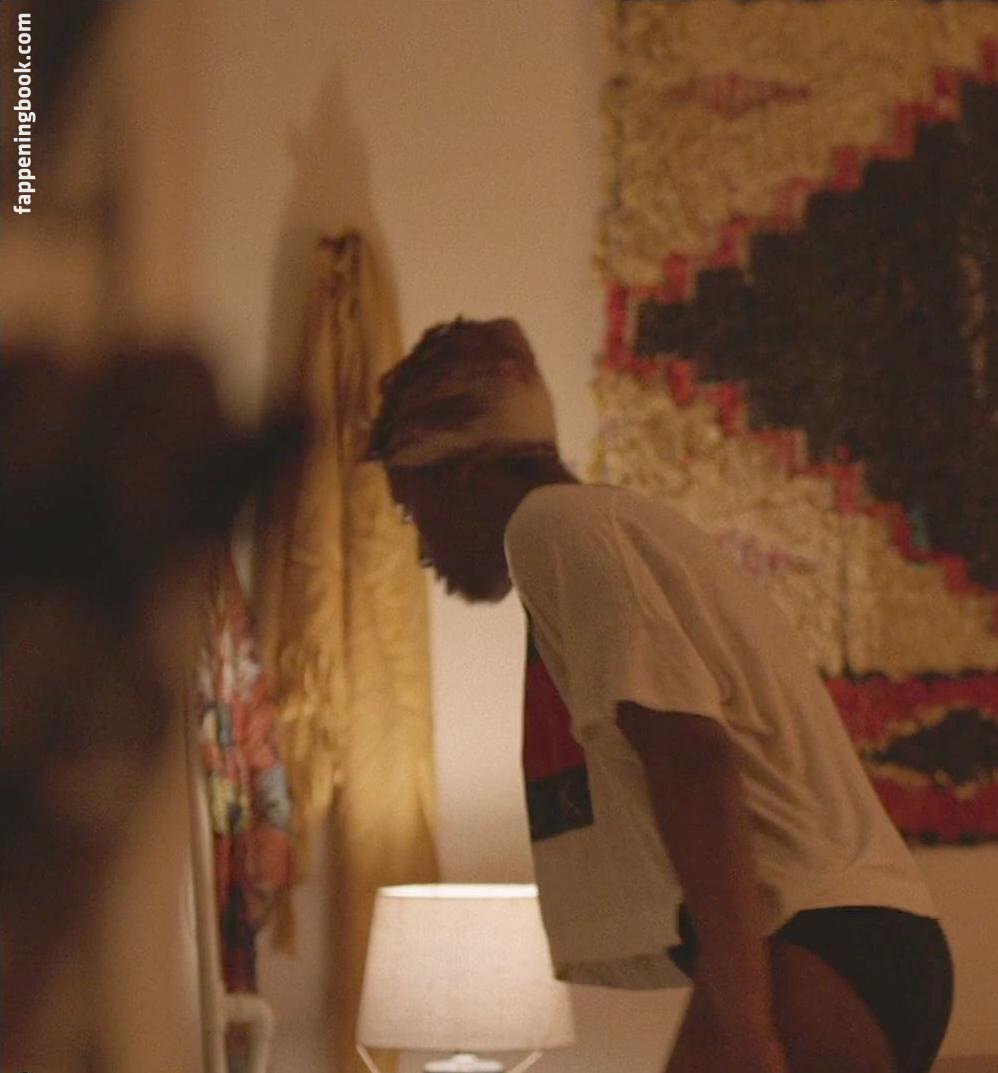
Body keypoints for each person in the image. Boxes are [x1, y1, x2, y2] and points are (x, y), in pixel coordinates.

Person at [365, 318, 951, 1073]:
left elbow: (691, 759)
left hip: (816, 932)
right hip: (868, 939)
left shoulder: (553, 527)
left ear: (463, 474)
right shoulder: (617, 525)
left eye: (411, 510)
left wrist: (746, 1028)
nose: (421, 549)